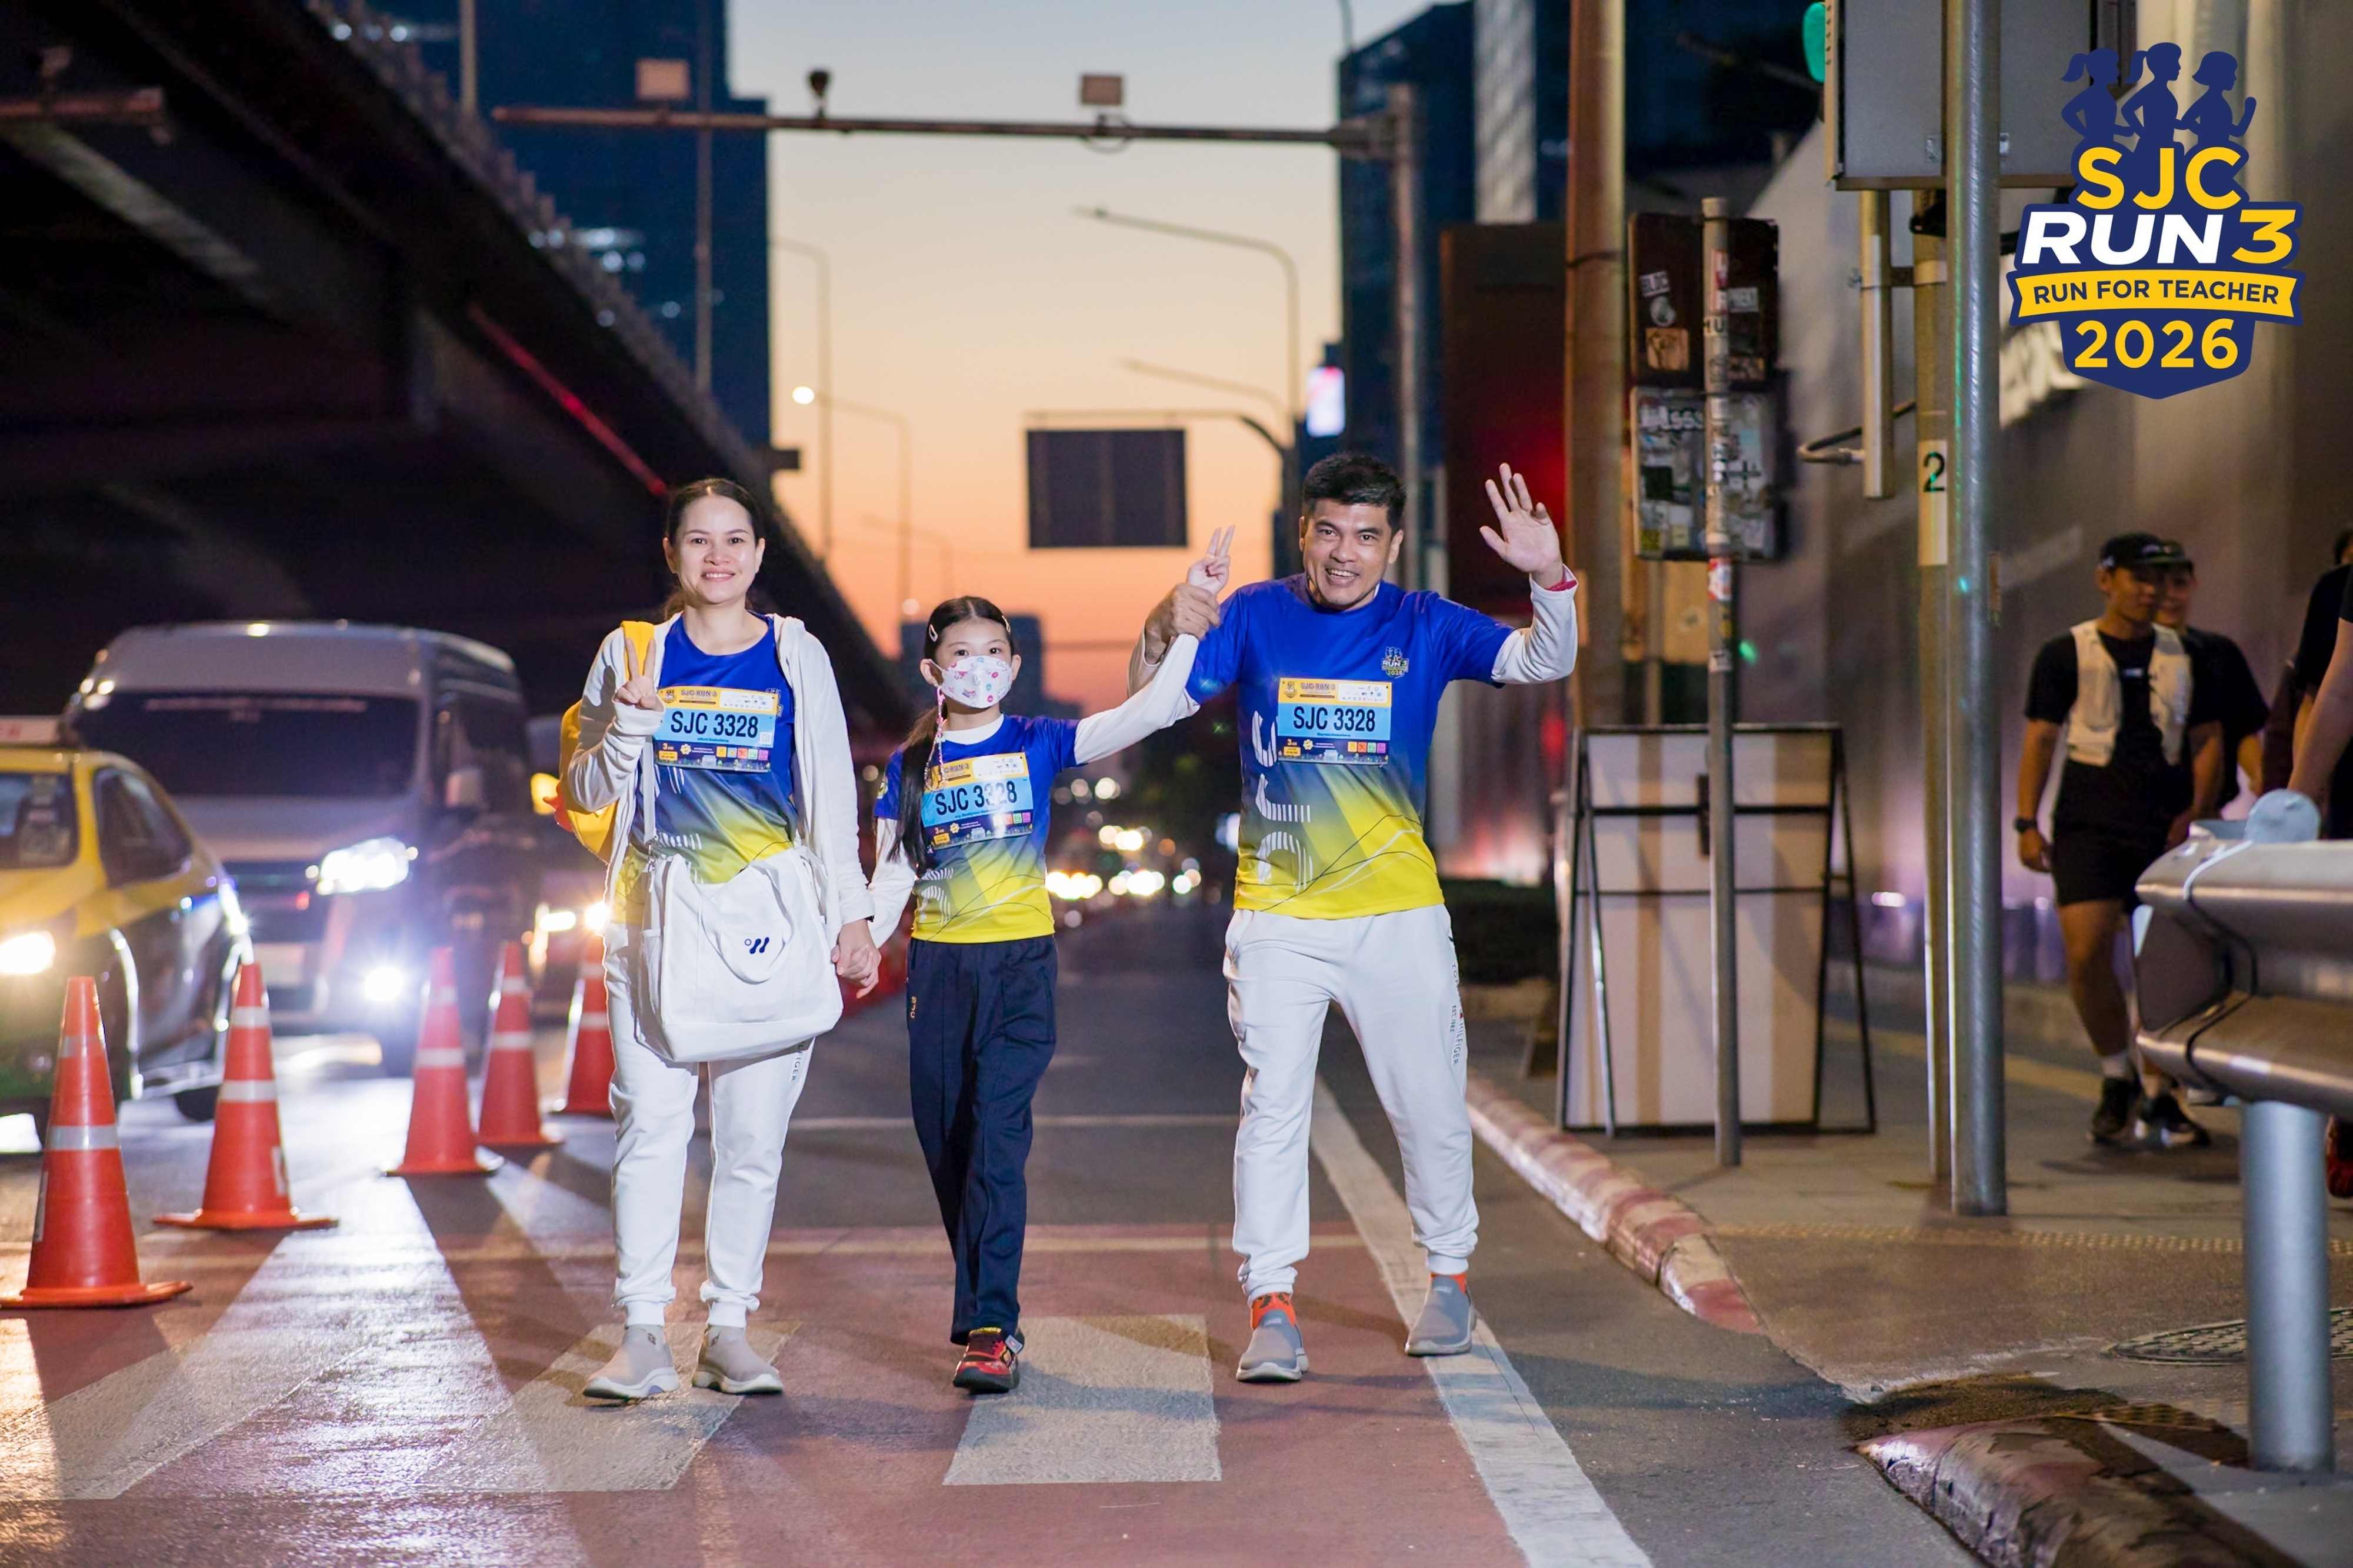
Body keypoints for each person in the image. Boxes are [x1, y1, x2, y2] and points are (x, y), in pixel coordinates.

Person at [1126, 452, 1577, 1383]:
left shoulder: (1427, 622)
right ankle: (1272, 1304)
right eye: (1329, 531)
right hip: (1279, 915)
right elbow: (1153, 703)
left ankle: (1448, 1279)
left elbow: (1543, 658)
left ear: (1393, 544)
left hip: (1396, 915)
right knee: (1273, 1109)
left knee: (1429, 1105)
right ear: (1303, 532)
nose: (1345, 553)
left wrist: (1550, 576)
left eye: (1366, 536)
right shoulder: (1254, 613)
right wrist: (1166, 621)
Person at [565, 478, 880, 1401]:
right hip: (648, 929)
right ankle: (640, 1334)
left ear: (759, 553)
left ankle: (729, 1331)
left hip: (765, 931)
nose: (718, 557)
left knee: (749, 1144)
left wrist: (852, 915)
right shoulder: (631, 651)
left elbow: (830, 794)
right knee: (650, 1130)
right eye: (699, 541)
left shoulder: (795, 654)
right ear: (672, 553)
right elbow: (584, 793)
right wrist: (629, 726)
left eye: (735, 539)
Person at [866, 585, 1209, 1394]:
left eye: (993, 653)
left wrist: (1188, 635)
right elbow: (891, 874)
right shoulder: (911, 768)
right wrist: (854, 943)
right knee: (949, 1146)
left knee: (996, 1138)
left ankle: (991, 1327)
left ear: (1014, 667)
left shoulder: (1040, 741)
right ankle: (988, 1308)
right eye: (961, 654)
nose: (979, 666)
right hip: (938, 970)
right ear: (933, 671)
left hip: (1019, 965)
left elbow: (1147, 712)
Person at [2015, 533, 2224, 1150]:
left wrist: (2199, 810)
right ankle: (2116, 1073)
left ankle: (2161, 1093)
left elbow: (2208, 737)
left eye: (2160, 578)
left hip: (2163, 823)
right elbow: (2040, 738)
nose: (2151, 590)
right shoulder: (2065, 653)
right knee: (2085, 954)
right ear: (2105, 579)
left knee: (2159, 966)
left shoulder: (2189, 653)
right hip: (2088, 822)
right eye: (2139, 577)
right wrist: (2026, 822)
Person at [2154, 545, 2267, 813]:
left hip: (2207, 813)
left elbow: (2244, 728)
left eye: (2179, 584)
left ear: (2193, 584)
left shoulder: (2219, 653)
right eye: (2160, 584)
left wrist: (2261, 778)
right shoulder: (2127, 656)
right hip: (2140, 815)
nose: (2170, 596)